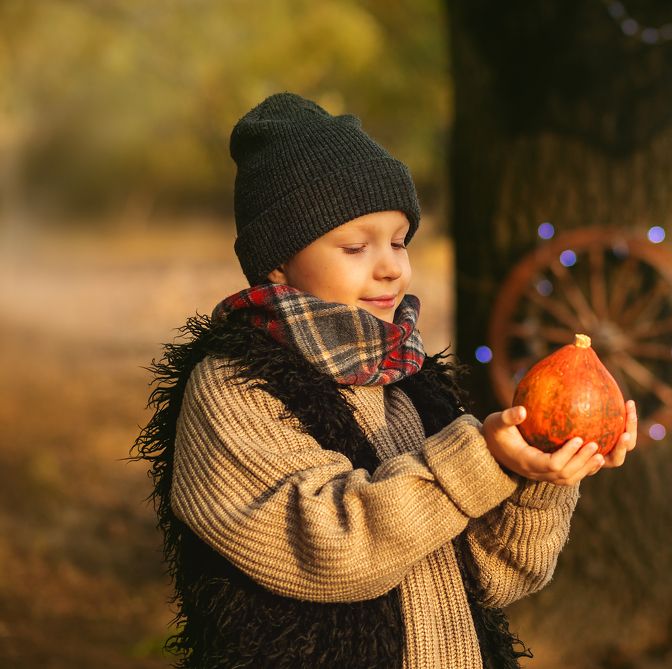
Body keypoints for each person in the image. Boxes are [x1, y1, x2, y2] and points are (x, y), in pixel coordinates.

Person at [133, 92, 638, 669]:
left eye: (399, 240)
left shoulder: (408, 386)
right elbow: (334, 549)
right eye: (356, 246)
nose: (392, 266)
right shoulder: (236, 389)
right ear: (277, 262)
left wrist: (537, 472)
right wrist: (478, 460)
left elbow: (495, 577)